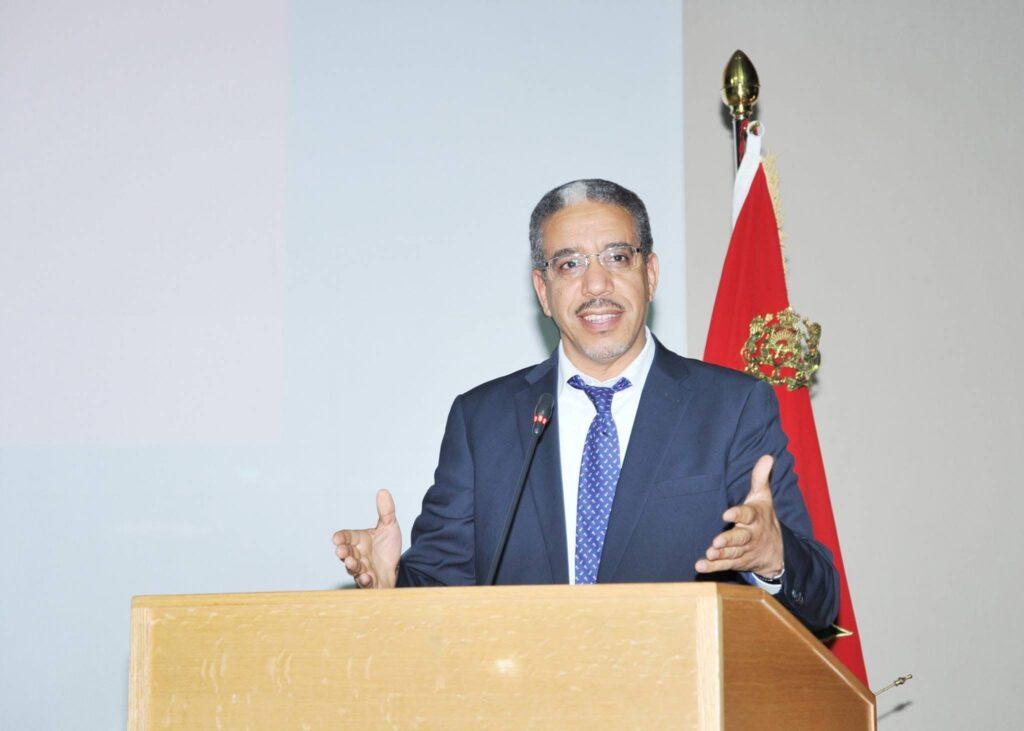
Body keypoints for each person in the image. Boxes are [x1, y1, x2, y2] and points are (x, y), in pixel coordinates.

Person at [333, 179, 838, 631]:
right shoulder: (482, 420)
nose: (596, 285)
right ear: (543, 291)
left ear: (650, 274)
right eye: (570, 264)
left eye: (617, 257)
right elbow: (440, 591)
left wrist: (774, 558)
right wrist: (392, 582)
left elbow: (820, 603)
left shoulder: (731, 407)